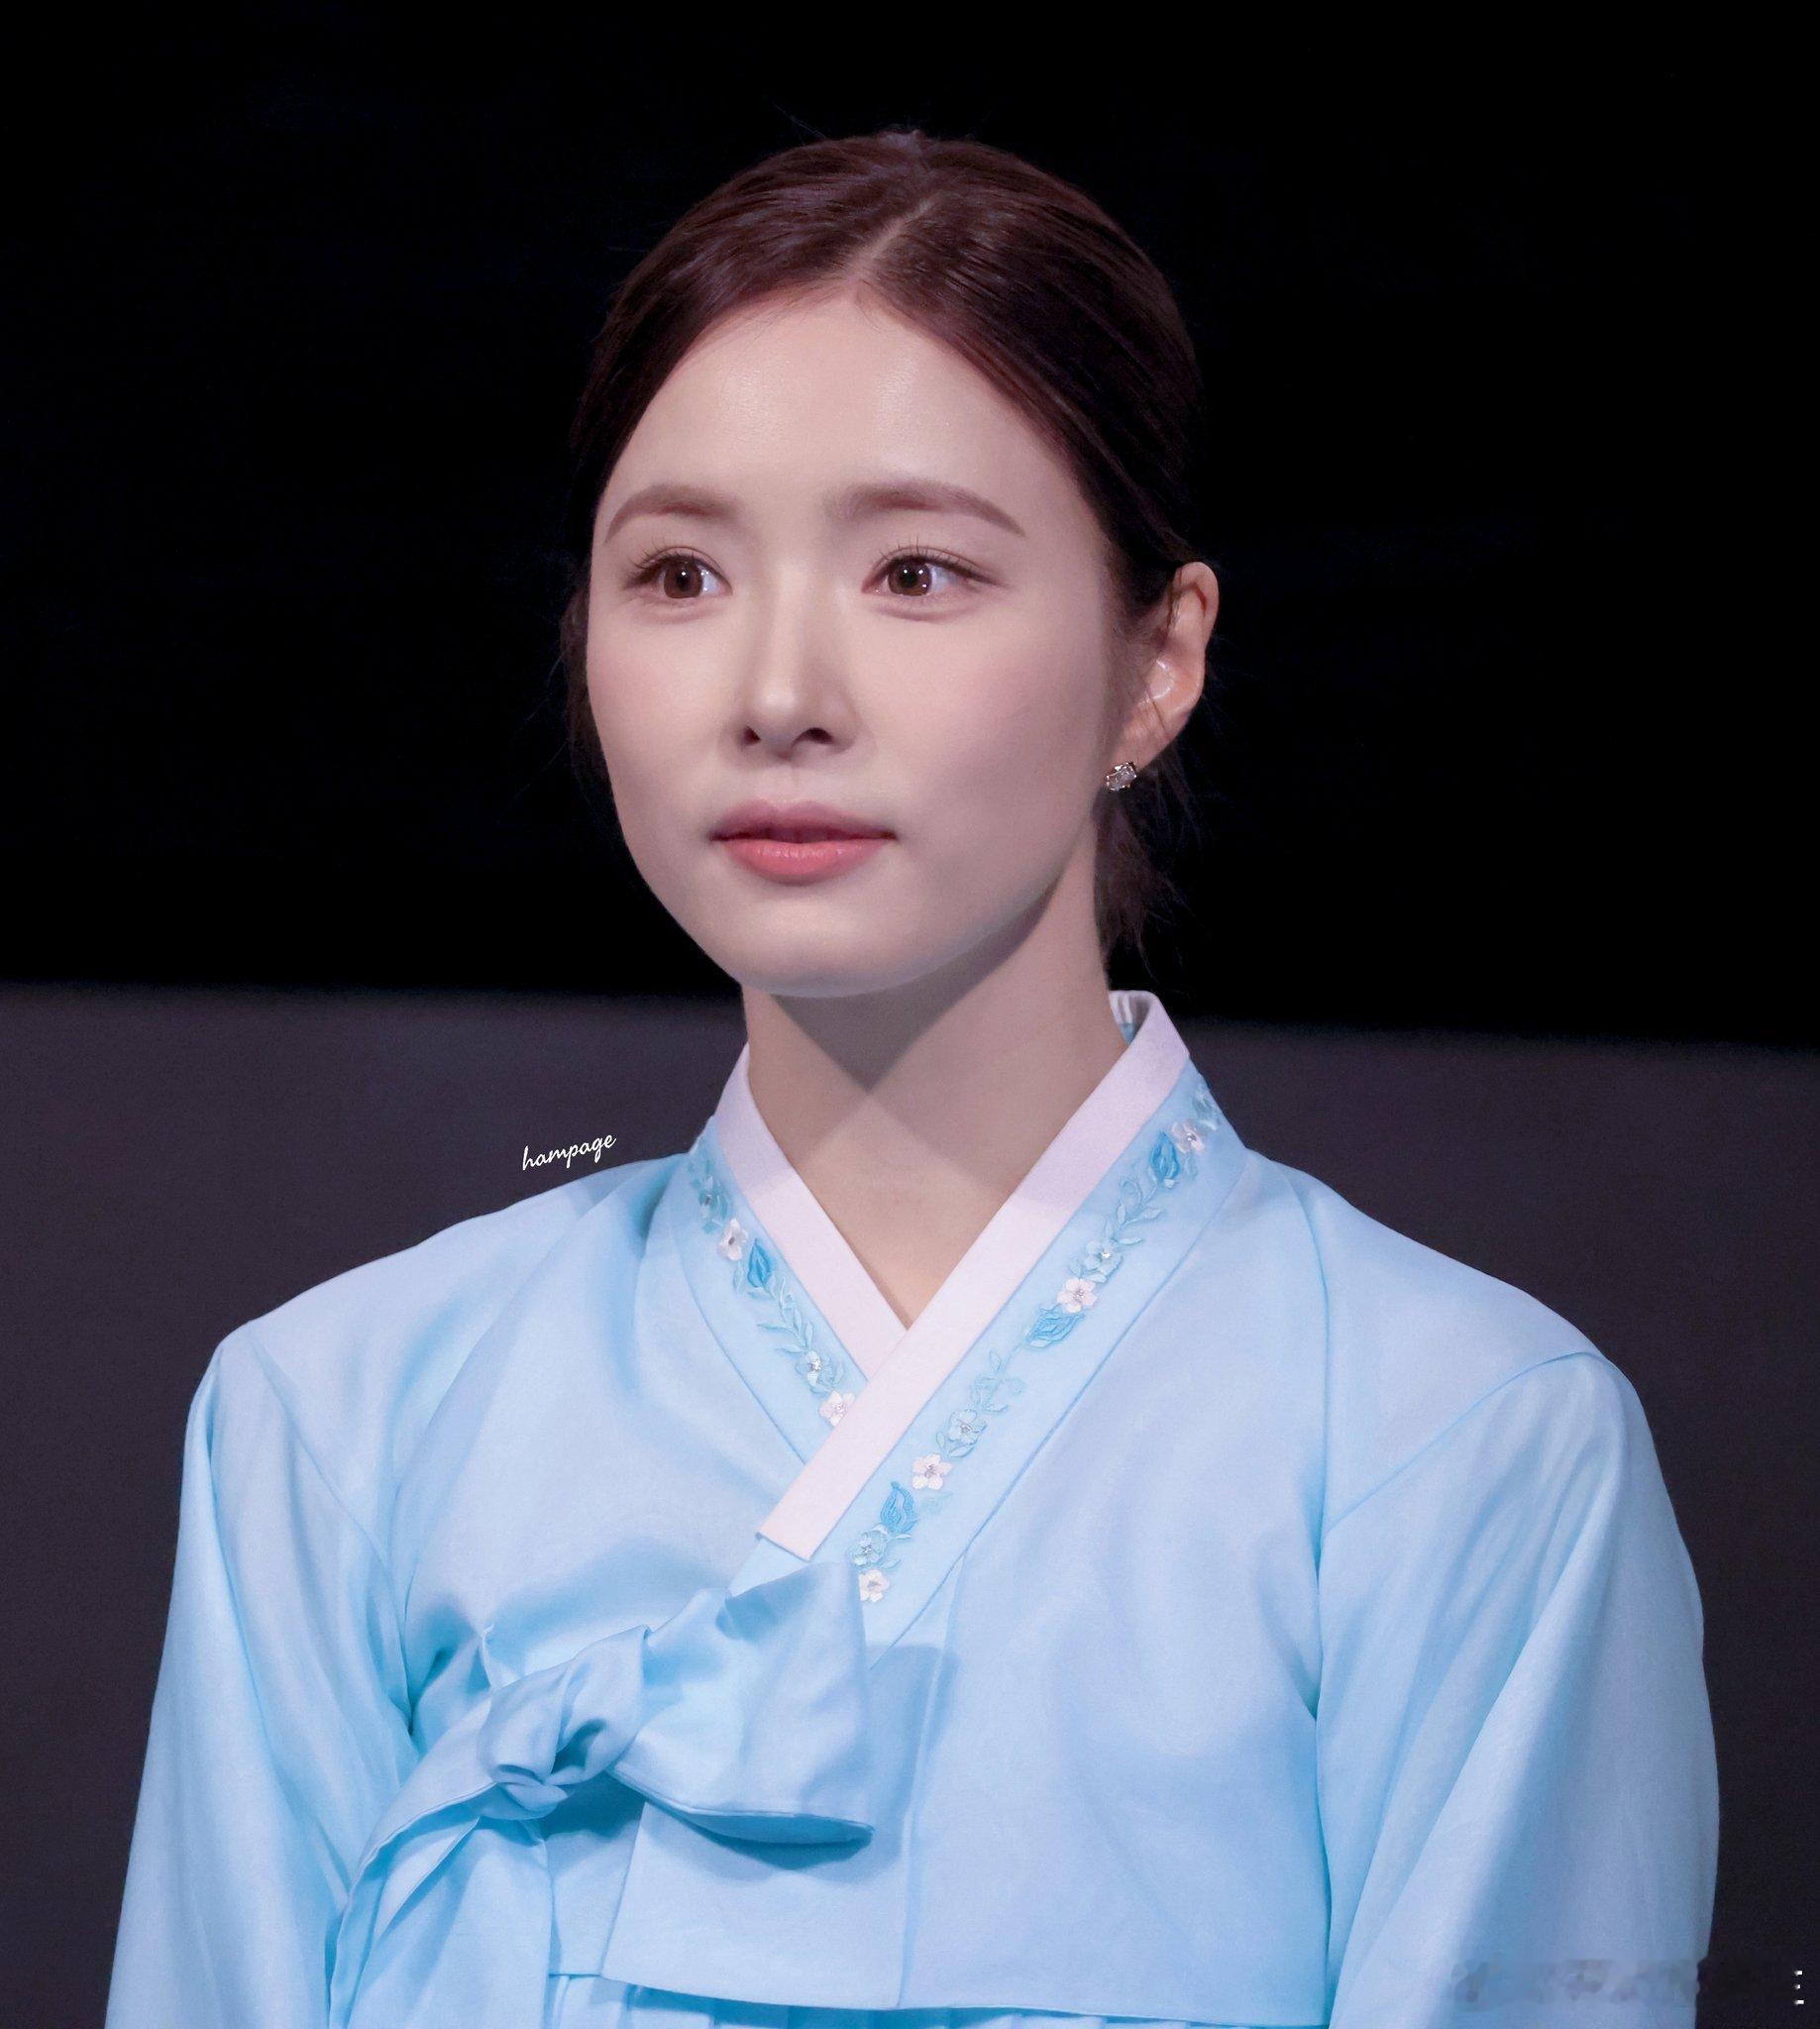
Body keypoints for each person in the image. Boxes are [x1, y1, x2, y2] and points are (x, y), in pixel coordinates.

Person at [104, 128, 1719, 2029]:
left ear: (1158, 659)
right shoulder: (338, 1422)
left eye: (919, 571)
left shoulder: (1457, 1446)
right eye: (680, 573)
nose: (779, 692)